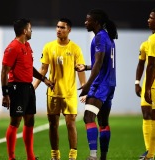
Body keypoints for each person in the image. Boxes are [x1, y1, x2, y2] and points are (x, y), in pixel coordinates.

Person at [33, 18, 86, 160]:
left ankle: (72, 156)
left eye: (62, 27)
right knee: (53, 125)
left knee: (70, 124)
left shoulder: (75, 48)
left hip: (69, 94)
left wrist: (85, 89)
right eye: (57, 27)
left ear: (69, 30)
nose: (58, 30)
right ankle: (55, 155)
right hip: (53, 93)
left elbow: (80, 69)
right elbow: (43, 69)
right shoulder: (49, 47)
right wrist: (33, 86)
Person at [1, 18, 53, 160]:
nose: (31, 31)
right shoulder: (13, 47)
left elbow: (30, 68)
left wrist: (44, 79)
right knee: (15, 122)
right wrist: (5, 94)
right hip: (16, 88)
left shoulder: (27, 46)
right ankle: (11, 157)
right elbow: (4, 71)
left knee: (30, 121)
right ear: (25, 30)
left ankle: (31, 157)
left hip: (28, 88)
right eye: (30, 28)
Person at [75, 9, 118, 160]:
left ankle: (93, 156)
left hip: (100, 85)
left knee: (88, 117)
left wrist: (87, 85)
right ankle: (103, 157)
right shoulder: (108, 37)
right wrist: (86, 67)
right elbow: (102, 62)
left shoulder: (99, 37)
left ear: (96, 22)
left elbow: (99, 63)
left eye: (88, 20)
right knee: (103, 122)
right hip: (110, 84)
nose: (85, 22)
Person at [135, 38, 154, 160]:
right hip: (148, 84)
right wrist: (137, 82)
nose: (148, 20)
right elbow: (141, 64)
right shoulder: (145, 45)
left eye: (151, 18)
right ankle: (149, 151)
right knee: (146, 114)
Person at [144, 7, 155, 160]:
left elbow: (151, 64)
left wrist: (147, 87)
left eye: (151, 17)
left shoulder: (154, 39)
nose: (148, 20)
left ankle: (151, 155)